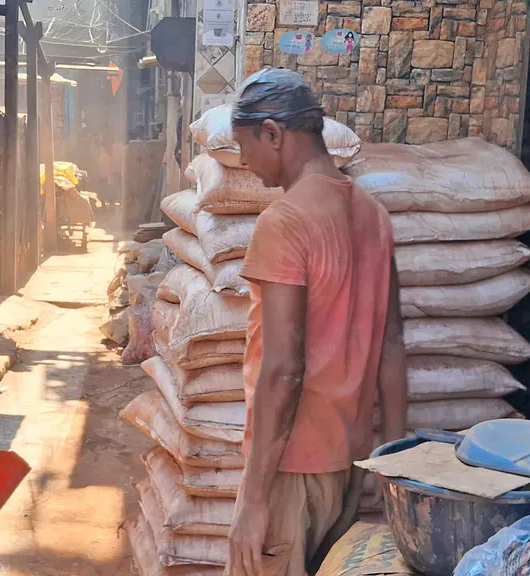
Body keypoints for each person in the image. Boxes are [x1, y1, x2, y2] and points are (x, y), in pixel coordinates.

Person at [223, 68, 409, 576]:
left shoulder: (284, 222)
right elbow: (393, 343)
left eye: (245, 145)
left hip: (291, 466)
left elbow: (284, 368)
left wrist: (254, 498)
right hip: (349, 461)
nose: (243, 161)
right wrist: (393, 465)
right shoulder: (374, 215)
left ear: (274, 133)